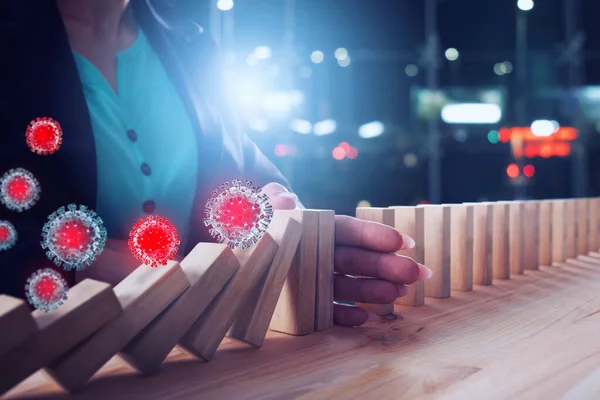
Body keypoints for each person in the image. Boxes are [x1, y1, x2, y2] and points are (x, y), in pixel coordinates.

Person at [0, 0, 432, 326]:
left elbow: (246, 176)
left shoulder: (190, 43)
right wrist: (73, 267)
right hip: (47, 362)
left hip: (191, 357)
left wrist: (289, 235)